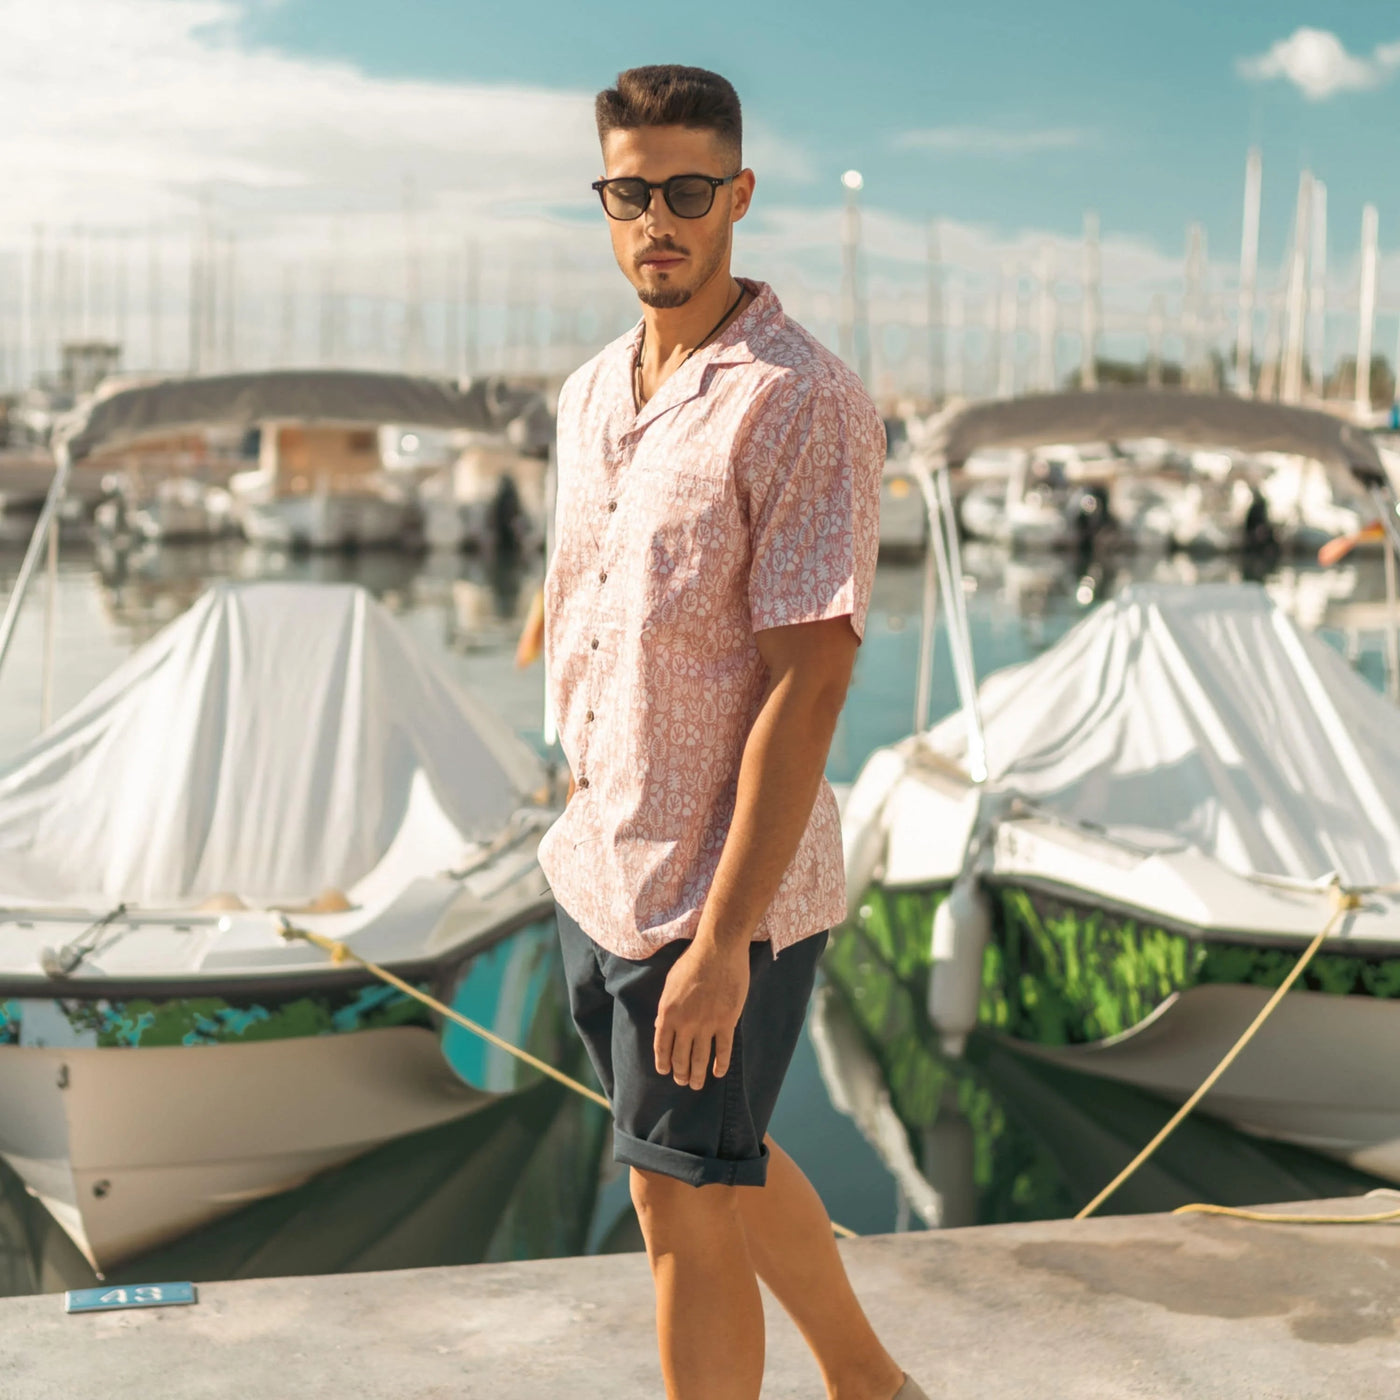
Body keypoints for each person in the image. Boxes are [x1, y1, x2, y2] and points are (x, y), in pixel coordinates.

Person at [540, 64, 928, 1400]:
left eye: (688, 191)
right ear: (607, 200)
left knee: (674, 1208)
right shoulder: (590, 394)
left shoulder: (802, 402)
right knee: (723, 1156)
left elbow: (807, 689)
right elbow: (587, 592)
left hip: (721, 901)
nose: (660, 218)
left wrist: (718, 947)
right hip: (600, 865)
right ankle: (874, 1385)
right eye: (631, 190)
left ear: (737, 198)